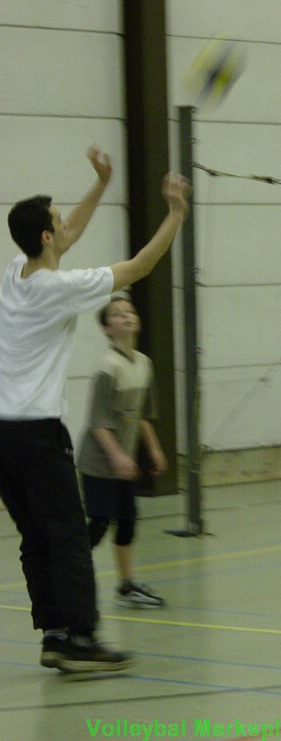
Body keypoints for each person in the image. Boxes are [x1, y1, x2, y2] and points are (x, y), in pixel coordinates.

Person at [0, 146, 190, 673]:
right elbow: (140, 266)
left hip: (2, 438)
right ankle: (83, 636)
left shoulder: (16, 273)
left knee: (36, 537)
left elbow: (70, 234)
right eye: (57, 222)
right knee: (68, 537)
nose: (66, 225)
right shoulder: (58, 289)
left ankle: (55, 634)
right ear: (45, 236)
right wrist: (174, 214)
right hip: (38, 436)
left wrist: (102, 184)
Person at [78, 295, 168, 609]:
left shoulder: (144, 364)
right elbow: (98, 423)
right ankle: (67, 576)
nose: (126, 316)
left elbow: (142, 414)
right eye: (117, 314)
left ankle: (127, 586)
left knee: (128, 521)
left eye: (129, 310)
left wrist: (154, 449)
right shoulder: (107, 367)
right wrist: (117, 456)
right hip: (100, 462)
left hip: (123, 462)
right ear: (106, 328)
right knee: (100, 523)